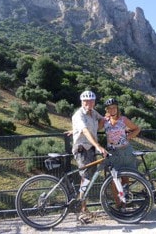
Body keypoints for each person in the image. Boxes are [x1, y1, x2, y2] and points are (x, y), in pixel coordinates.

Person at [68, 90, 106, 223]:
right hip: (82, 149)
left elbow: (102, 120)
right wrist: (98, 146)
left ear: (94, 102)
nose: (88, 103)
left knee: (89, 178)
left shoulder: (93, 112)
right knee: (85, 178)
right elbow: (85, 131)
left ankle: (83, 207)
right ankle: (82, 209)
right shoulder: (78, 115)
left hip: (89, 150)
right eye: (86, 101)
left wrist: (100, 125)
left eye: (91, 101)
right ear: (81, 102)